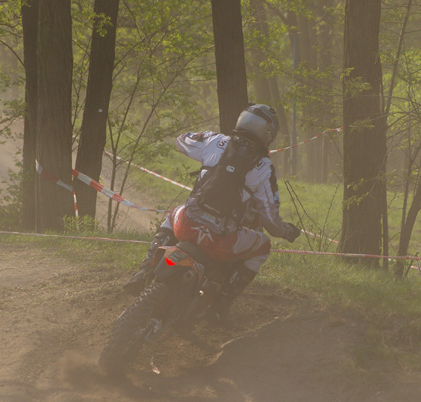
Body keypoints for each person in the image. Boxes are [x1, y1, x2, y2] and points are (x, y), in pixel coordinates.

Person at [124, 104, 300, 323]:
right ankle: (220, 307)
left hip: (186, 226)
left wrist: (205, 150)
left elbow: (181, 141)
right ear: (268, 133)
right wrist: (285, 231)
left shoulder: (216, 141)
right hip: (220, 240)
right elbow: (270, 220)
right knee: (263, 245)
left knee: (174, 213)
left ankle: (143, 271)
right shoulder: (264, 167)